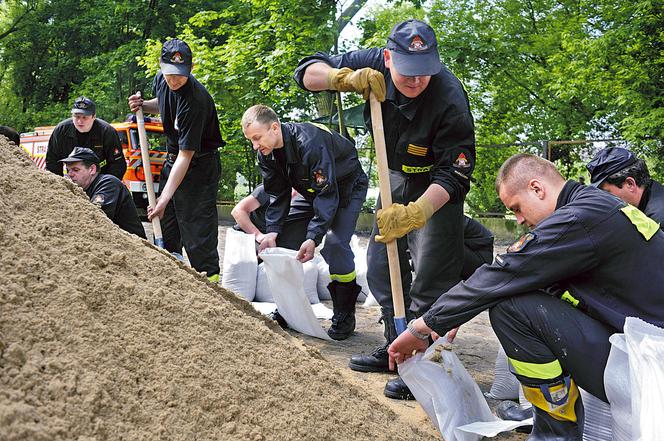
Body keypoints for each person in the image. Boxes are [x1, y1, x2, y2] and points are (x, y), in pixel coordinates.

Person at [389, 154, 664, 439]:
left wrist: (424, 326)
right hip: (646, 352)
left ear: (537, 188)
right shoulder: (595, 207)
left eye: (517, 208)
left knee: (511, 309)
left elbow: (506, 272)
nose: (519, 220)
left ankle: (555, 434)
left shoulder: (577, 218)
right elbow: (524, 275)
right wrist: (452, 315)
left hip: (650, 370)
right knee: (518, 293)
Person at [294, 19, 475, 398]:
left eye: (425, 73)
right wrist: (341, 78)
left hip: (435, 187)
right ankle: (397, 348)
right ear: (389, 57)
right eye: (408, 73)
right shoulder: (372, 62)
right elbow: (307, 71)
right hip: (394, 173)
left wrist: (415, 215)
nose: (416, 81)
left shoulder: (450, 99)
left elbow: (455, 176)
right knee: (380, 264)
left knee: (431, 275)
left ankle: (426, 367)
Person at [241, 104, 369, 340]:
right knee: (285, 236)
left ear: (275, 128)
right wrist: (272, 232)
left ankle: (344, 314)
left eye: (257, 138)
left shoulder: (309, 143)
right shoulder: (266, 154)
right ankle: (289, 310)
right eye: (251, 140)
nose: (255, 146)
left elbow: (328, 194)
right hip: (313, 190)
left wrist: (313, 236)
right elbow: (277, 194)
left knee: (336, 244)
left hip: (347, 188)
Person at [128, 39, 224, 282]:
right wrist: (143, 106)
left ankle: (210, 283)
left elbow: (186, 155)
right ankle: (172, 281)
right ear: (161, 67)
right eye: (169, 73)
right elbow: (163, 104)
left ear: (191, 69)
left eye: (180, 75)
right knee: (168, 225)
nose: (174, 80)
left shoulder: (196, 100)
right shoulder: (162, 80)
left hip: (199, 167)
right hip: (174, 162)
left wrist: (164, 197)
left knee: (197, 229)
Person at [59, 147, 146, 239]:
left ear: (92, 169)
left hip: (131, 245)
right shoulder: (81, 189)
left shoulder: (108, 183)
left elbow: (94, 217)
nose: (70, 174)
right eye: (68, 170)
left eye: (76, 170)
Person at [46, 97, 126, 179]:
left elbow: (117, 165)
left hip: (100, 178)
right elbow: (52, 162)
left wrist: (106, 186)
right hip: (71, 179)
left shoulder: (106, 132)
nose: (80, 121)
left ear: (94, 117)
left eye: (84, 117)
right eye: (77, 117)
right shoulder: (61, 131)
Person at [587, 146, 664, 225]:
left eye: (606, 192)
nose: (603, 199)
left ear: (630, 184)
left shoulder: (658, 221)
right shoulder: (653, 190)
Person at [231, 184, 314, 251]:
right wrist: (258, 236)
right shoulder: (268, 189)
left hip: (276, 245)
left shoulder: (308, 199)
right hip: (250, 237)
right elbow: (238, 211)